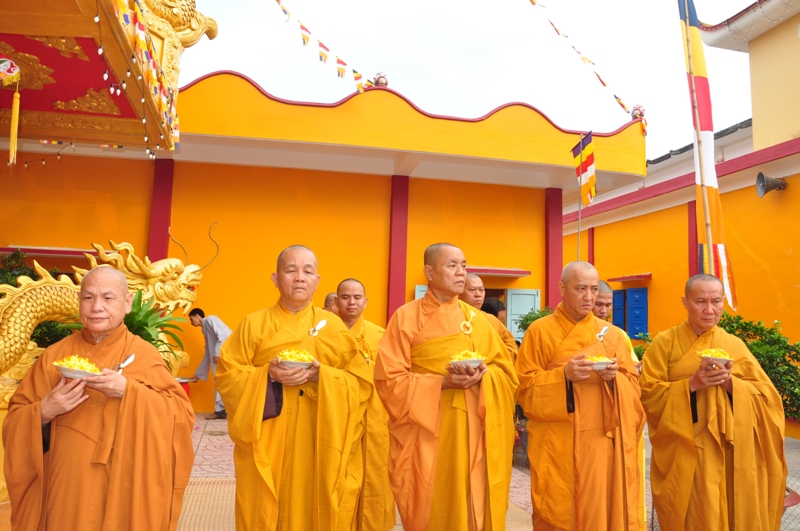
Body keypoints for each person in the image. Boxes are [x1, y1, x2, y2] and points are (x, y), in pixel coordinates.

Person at [3, 266, 195, 531]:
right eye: (88, 297)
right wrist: (45, 410)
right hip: (65, 488)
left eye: (107, 297)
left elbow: (180, 417)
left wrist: (128, 391)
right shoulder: (53, 357)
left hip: (120, 485)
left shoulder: (143, 355)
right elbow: (14, 421)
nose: (96, 307)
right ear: (79, 301)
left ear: (127, 303)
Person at [216, 245, 372, 531]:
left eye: (307, 272)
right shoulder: (253, 324)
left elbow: (360, 382)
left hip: (318, 435)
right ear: (276, 279)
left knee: (314, 500)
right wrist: (267, 375)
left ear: (317, 281)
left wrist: (322, 376)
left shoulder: (333, 327)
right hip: (267, 435)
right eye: (291, 270)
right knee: (263, 501)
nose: (300, 277)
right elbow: (228, 375)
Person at [375, 243, 519, 531]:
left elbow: (507, 372)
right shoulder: (405, 317)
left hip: (477, 429)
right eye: (452, 265)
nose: (461, 272)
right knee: (435, 506)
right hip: (428, 432)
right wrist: (441, 382)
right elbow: (388, 380)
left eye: (463, 265)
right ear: (429, 272)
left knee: (475, 502)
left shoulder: (480, 320)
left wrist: (486, 375)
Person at [640, 274, 787, 531]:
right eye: (701, 302)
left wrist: (731, 384)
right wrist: (691, 385)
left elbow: (768, 399)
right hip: (687, 449)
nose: (710, 310)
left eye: (716, 301)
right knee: (696, 516)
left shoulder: (733, 345)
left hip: (732, 451)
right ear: (685, 302)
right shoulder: (664, 344)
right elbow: (648, 395)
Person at [515, 261, 644, 531]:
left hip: (600, 442)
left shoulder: (613, 335)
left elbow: (634, 389)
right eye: (581, 289)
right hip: (556, 441)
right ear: (562, 288)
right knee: (557, 508)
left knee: (598, 509)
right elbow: (523, 389)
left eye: (594, 289)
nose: (589, 297)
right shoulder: (540, 331)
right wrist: (564, 375)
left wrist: (614, 380)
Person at [334, 278, 395, 531]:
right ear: (336, 301)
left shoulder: (381, 336)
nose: (352, 302)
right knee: (338, 479)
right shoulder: (324, 334)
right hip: (337, 419)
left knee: (376, 479)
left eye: (357, 297)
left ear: (365, 302)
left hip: (375, 418)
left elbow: (392, 379)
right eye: (345, 297)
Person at [460, 274, 518, 361]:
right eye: (472, 290)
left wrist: (491, 361)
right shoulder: (452, 317)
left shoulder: (491, 320)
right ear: (459, 293)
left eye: (481, 290)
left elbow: (511, 348)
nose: (478, 294)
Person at [189, 307, 232, 419]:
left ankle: (224, 410)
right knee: (221, 381)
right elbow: (208, 351)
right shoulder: (204, 329)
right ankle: (220, 411)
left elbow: (223, 335)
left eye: (191, 319)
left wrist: (217, 352)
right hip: (220, 358)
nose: (191, 322)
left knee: (227, 382)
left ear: (197, 316)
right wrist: (198, 374)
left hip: (226, 356)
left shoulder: (210, 319)